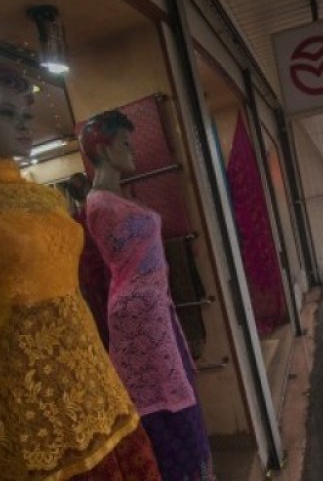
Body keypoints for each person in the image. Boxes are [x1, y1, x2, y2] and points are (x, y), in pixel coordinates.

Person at [0, 60, 160, 480]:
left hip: (86, 357)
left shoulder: (49, 200)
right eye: (7, 114)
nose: (24, 125)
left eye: (26, 115)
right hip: (25, 371)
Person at [82, 110, 215, 481]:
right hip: (138, 315)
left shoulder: (115, 199)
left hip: (156, 309)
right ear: (104, 149)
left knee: (181, 396)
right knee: (166, 408)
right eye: (125, 143)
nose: (133, 151)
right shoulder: (99, 205)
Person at [66, 172, 112, 349]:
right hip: (112, 275)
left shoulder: (74, 222)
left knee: (104, 325)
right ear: (89, 185)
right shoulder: (103, 212)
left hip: (92, 282)